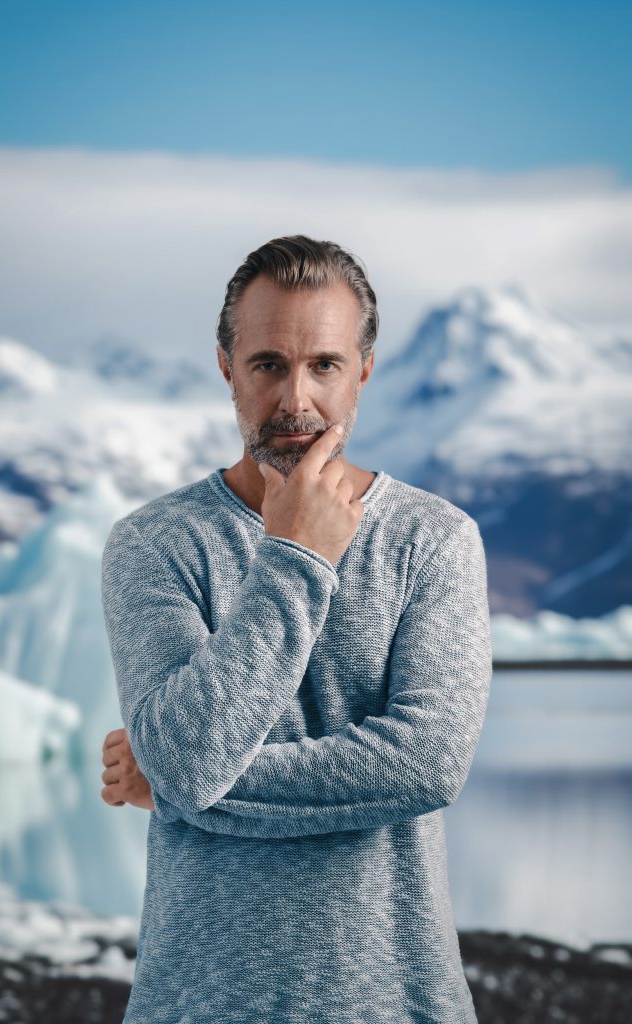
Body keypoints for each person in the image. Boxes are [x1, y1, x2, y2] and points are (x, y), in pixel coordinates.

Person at [99, 234, 492, 1024]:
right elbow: (184, 759)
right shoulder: (154, 544)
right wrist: (296, 556)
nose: (295, 399)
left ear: (364, 371)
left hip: (398, 1004)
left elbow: (426, 766)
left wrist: (175, 787)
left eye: (324, 365)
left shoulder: (434, 540)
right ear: (226, 367)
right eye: (268, 364)